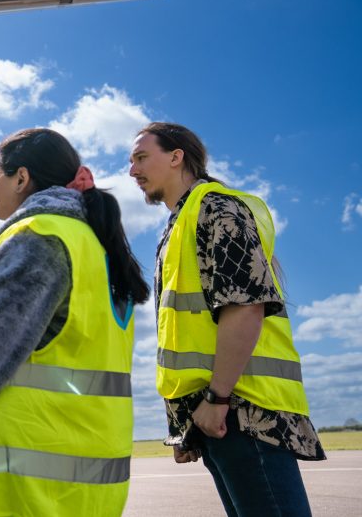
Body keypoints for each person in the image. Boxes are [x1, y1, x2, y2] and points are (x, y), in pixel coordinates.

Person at [0, 128, 150, 517]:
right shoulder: (97, 246)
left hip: (33, 476)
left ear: (21, 178)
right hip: (94, 471)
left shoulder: (40, 236)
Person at [129, 121, 324, 516]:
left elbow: (245, 307)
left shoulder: (217, 208)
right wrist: (186, 421)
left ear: (176, 156)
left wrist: (218, 398)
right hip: (215, 414)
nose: (132, 170)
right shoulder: (178, 224)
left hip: (243, 411)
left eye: (141, 157)